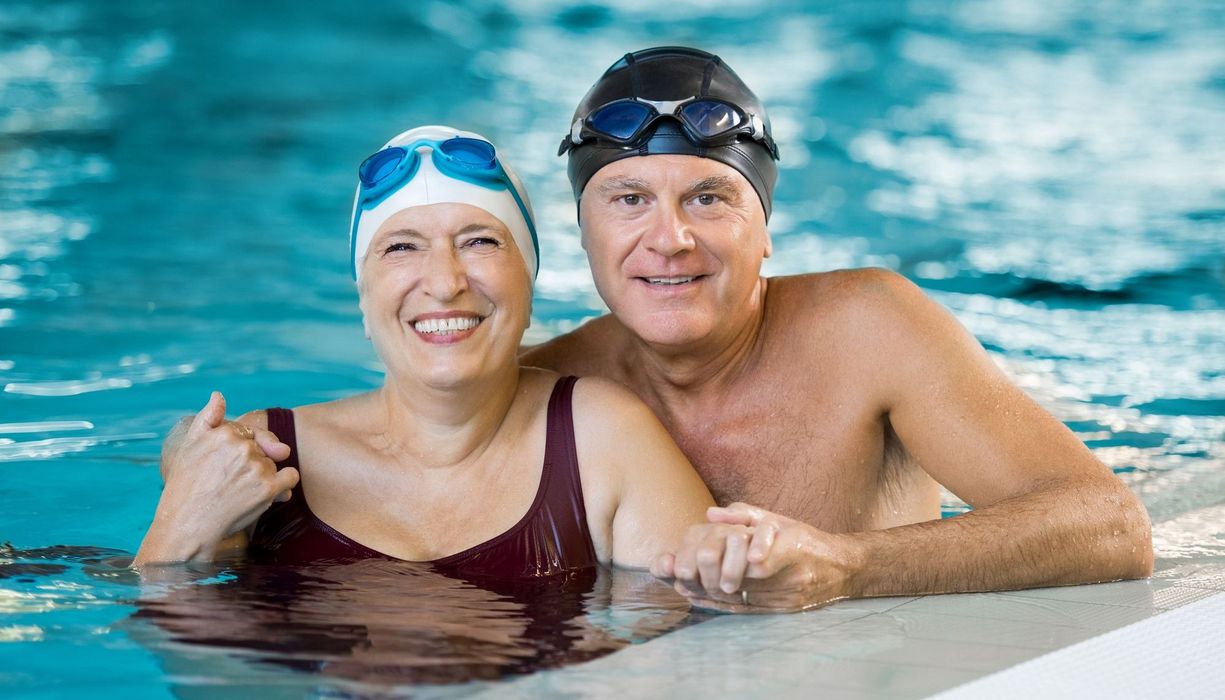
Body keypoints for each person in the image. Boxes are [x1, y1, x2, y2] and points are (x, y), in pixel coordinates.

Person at [521, 46, 1153, 611]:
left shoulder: (870, 330)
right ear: (584, 233)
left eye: (708, 198)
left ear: (765, 228)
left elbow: (1113, 527)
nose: (670, 240)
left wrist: (846, 566)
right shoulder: (546, 391)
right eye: (629, 200)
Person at [134, 125, 714, 578]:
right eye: (401, 247)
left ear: (529, 287)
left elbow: (709, 650)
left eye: (480, 241)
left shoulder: (603, 441)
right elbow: (192, 667)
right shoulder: (263, 463)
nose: (444, 281)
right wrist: (179, 527)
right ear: (363, 302)